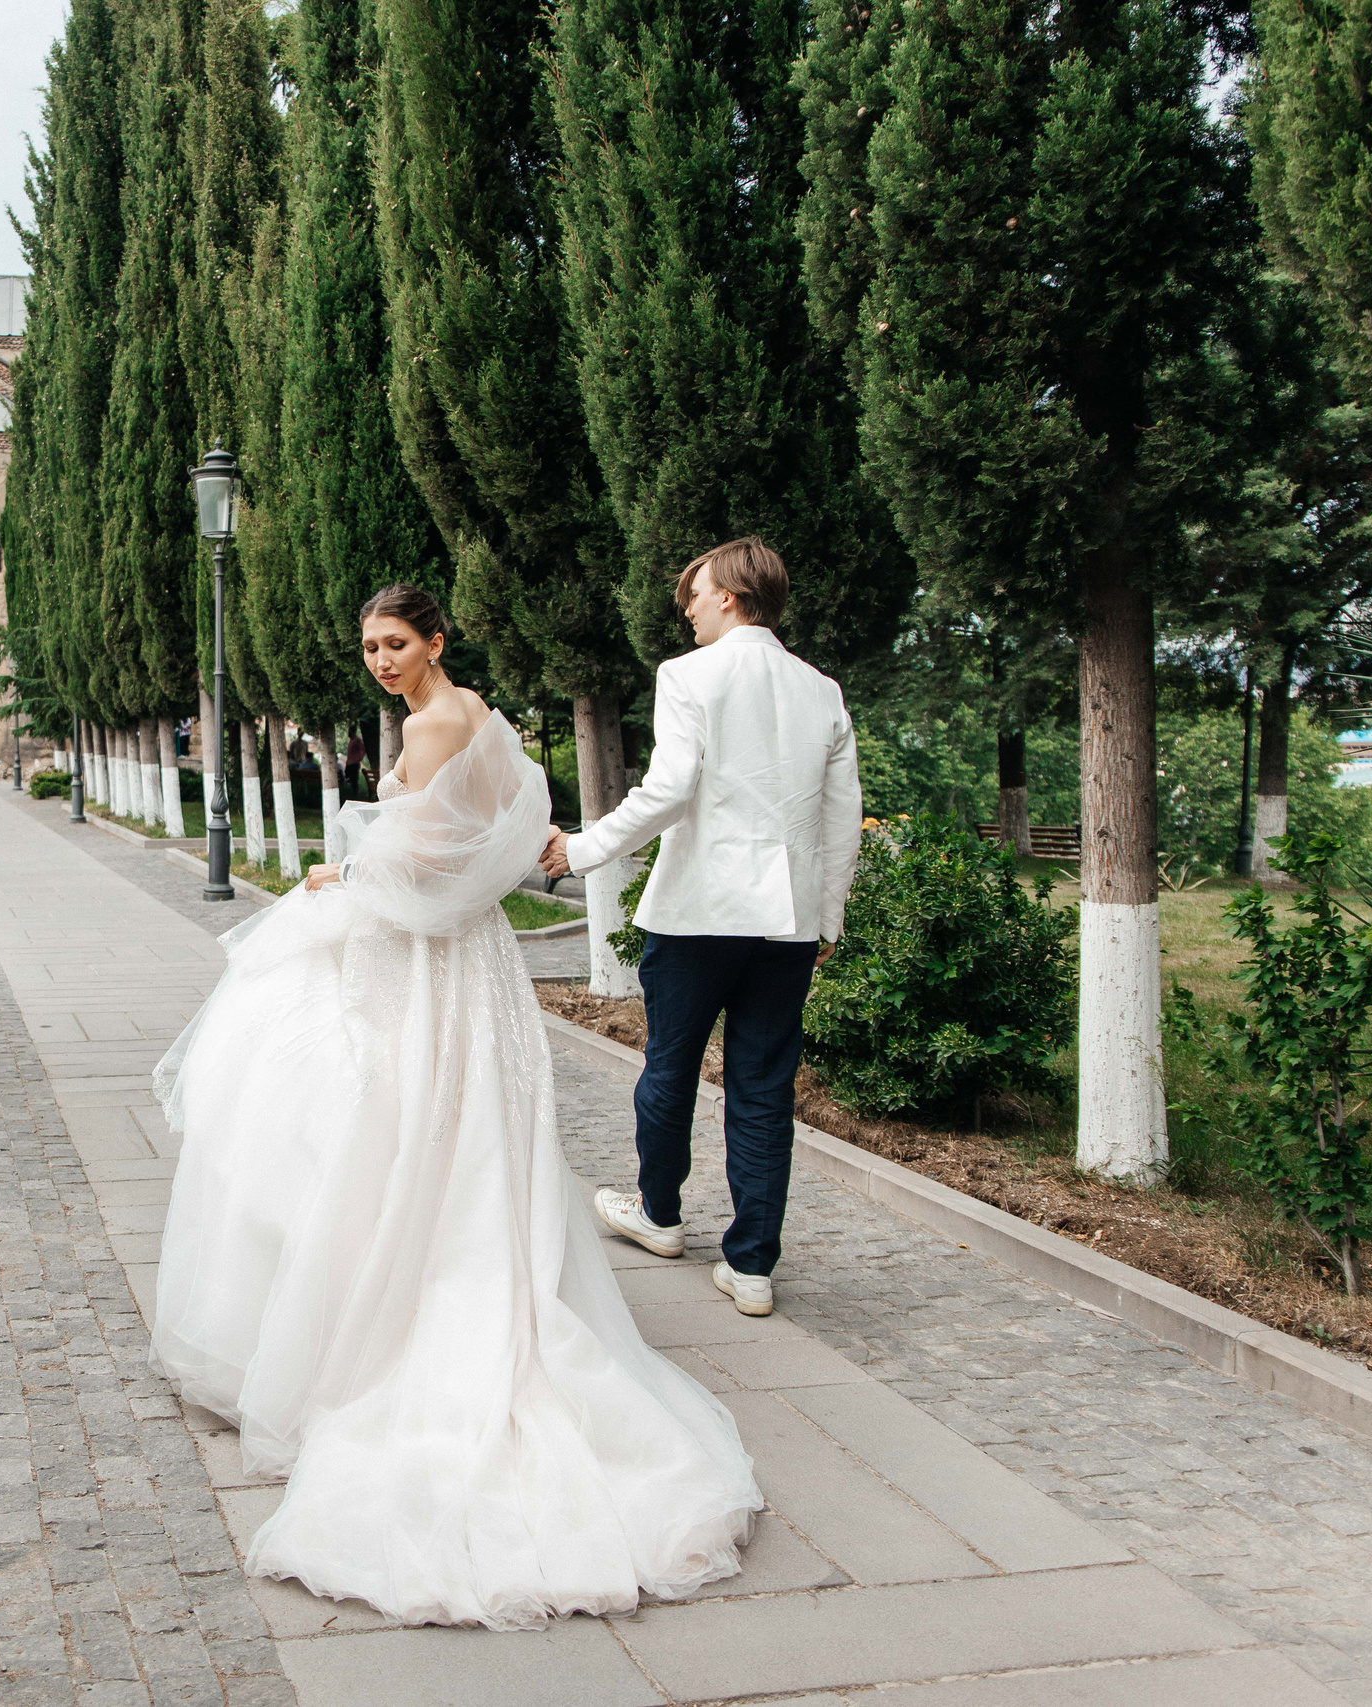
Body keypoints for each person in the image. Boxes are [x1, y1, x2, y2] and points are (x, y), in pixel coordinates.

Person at [151, 583, 761, 1630]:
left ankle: (382, 1305)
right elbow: (509, 826)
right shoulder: (477, 711)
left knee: (381, 1111)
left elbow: (429, 863)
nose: (380, 660)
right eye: (368, 646)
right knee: (451, 1127)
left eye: (396, 642)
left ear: (436, 640)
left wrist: (342, 878)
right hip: (474, 962)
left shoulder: (435, 726)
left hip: (431, 959)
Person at [538, 536, 861, 1320]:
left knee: (670, 1066)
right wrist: (827, 916)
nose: (686, 607)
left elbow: (669, 789)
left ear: (731, 595)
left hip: (698, 915)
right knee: (764, 1088)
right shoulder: (821, 690)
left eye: (695, 592)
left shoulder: (687, 675)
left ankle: (660, 1213)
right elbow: (840, 816)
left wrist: (580, 849)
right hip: (786, 924)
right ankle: (752, 1266)